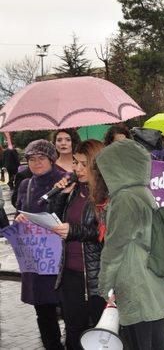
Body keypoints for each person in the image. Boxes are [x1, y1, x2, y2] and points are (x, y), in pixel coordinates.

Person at [96, 139, 164, 349]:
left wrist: (104, 286)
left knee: (141, 343)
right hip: (151, 283)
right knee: (157, 340)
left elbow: (114, 249)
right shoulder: (142, 191)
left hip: (135, 284)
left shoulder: (124, 199)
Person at [51, 140, 106, 350]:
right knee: (73, 332)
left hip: (95, 276)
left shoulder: (107, 194)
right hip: (69, 274)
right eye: (75, 162)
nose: (78, 169)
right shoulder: (74, 189)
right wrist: (60, 197)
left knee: (98, 336)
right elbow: (57, 219)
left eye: (84, 164)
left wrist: (74, 231)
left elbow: (105, 232)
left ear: (96, 166)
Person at [14, 139, 65, 350]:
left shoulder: (65, 181)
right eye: (31, 159)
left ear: (52, 159)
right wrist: (18, 219)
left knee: (71, 311)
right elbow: (19, 213)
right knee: (43, 313)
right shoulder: (25, 185)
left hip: (61, 258)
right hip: (37, 258)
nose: (36, 163)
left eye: (41, 157)